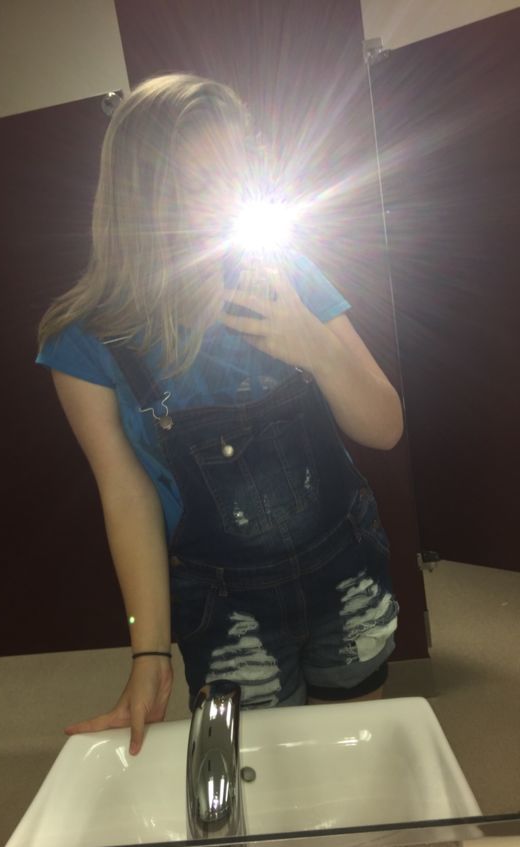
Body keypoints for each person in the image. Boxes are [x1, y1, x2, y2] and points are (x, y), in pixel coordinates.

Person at [36, 73, 403, 756]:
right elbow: (127, 498)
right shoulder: (86, 343)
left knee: (355, 752)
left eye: (237, 173)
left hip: (345, 572)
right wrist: (149, 651)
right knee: (267, 774)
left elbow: (385, 427)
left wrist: (317, 347)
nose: (225, 200)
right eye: (198, 183)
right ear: (141, 198)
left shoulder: (285, 274)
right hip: (225, 612)